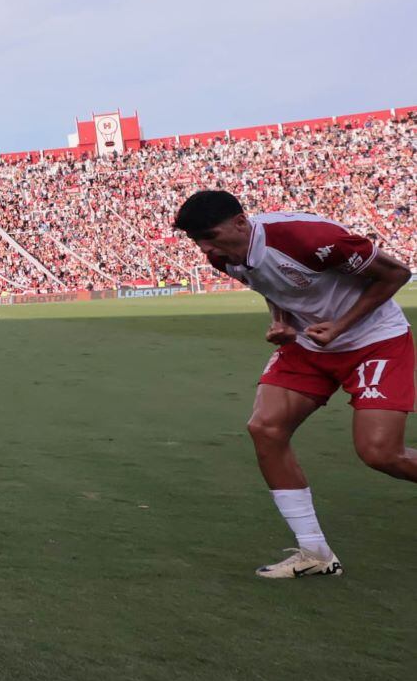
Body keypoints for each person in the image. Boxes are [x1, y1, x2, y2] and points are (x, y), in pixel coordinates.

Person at [174, 190, 416, 578]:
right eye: (196, 240)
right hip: (310, 344)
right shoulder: (222, 257)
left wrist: (340, 327)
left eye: (210, 235)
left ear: (240, 222)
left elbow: (396, 274)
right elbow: (275, 287)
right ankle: (315, 553)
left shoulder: (308, 238)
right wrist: (282, 323)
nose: (205, 248)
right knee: (265, 428)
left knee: (380, 453)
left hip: (374, 341)